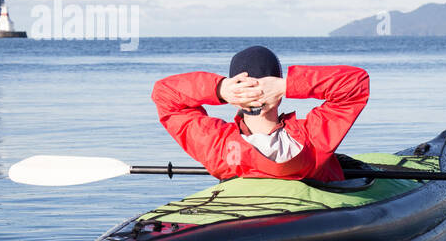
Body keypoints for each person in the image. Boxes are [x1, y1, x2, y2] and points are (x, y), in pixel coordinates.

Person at [150, 46, 369, 182]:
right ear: (279, 93)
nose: (254, 92)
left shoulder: (215, 143)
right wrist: (288, 85)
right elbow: (354, 84)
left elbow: (165, 94)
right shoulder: (312, 137)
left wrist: (219, 89)